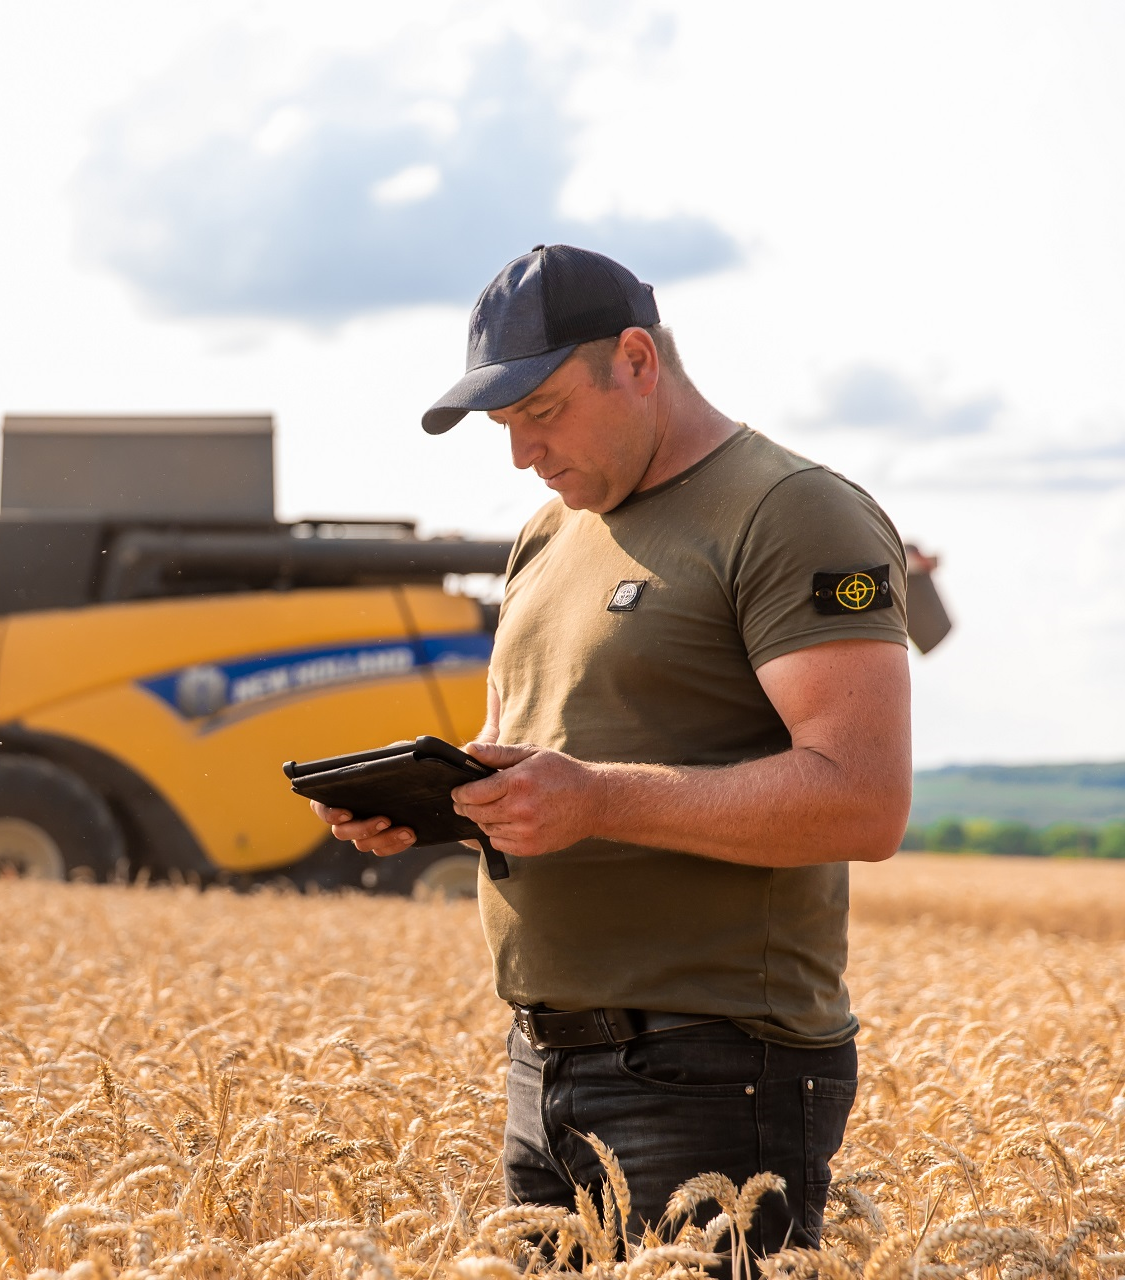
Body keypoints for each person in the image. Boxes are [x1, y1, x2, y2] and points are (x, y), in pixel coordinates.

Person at [310, 244, 912, 1259]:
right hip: (543, 1063)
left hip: (717, 1068)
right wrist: (444, 806)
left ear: (637, 359)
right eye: (505, 425)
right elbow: (548, 780)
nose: (520, 453)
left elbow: (863, 799)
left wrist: (594, 799)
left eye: (541, 411)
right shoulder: (547, 535)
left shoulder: (792, 511)